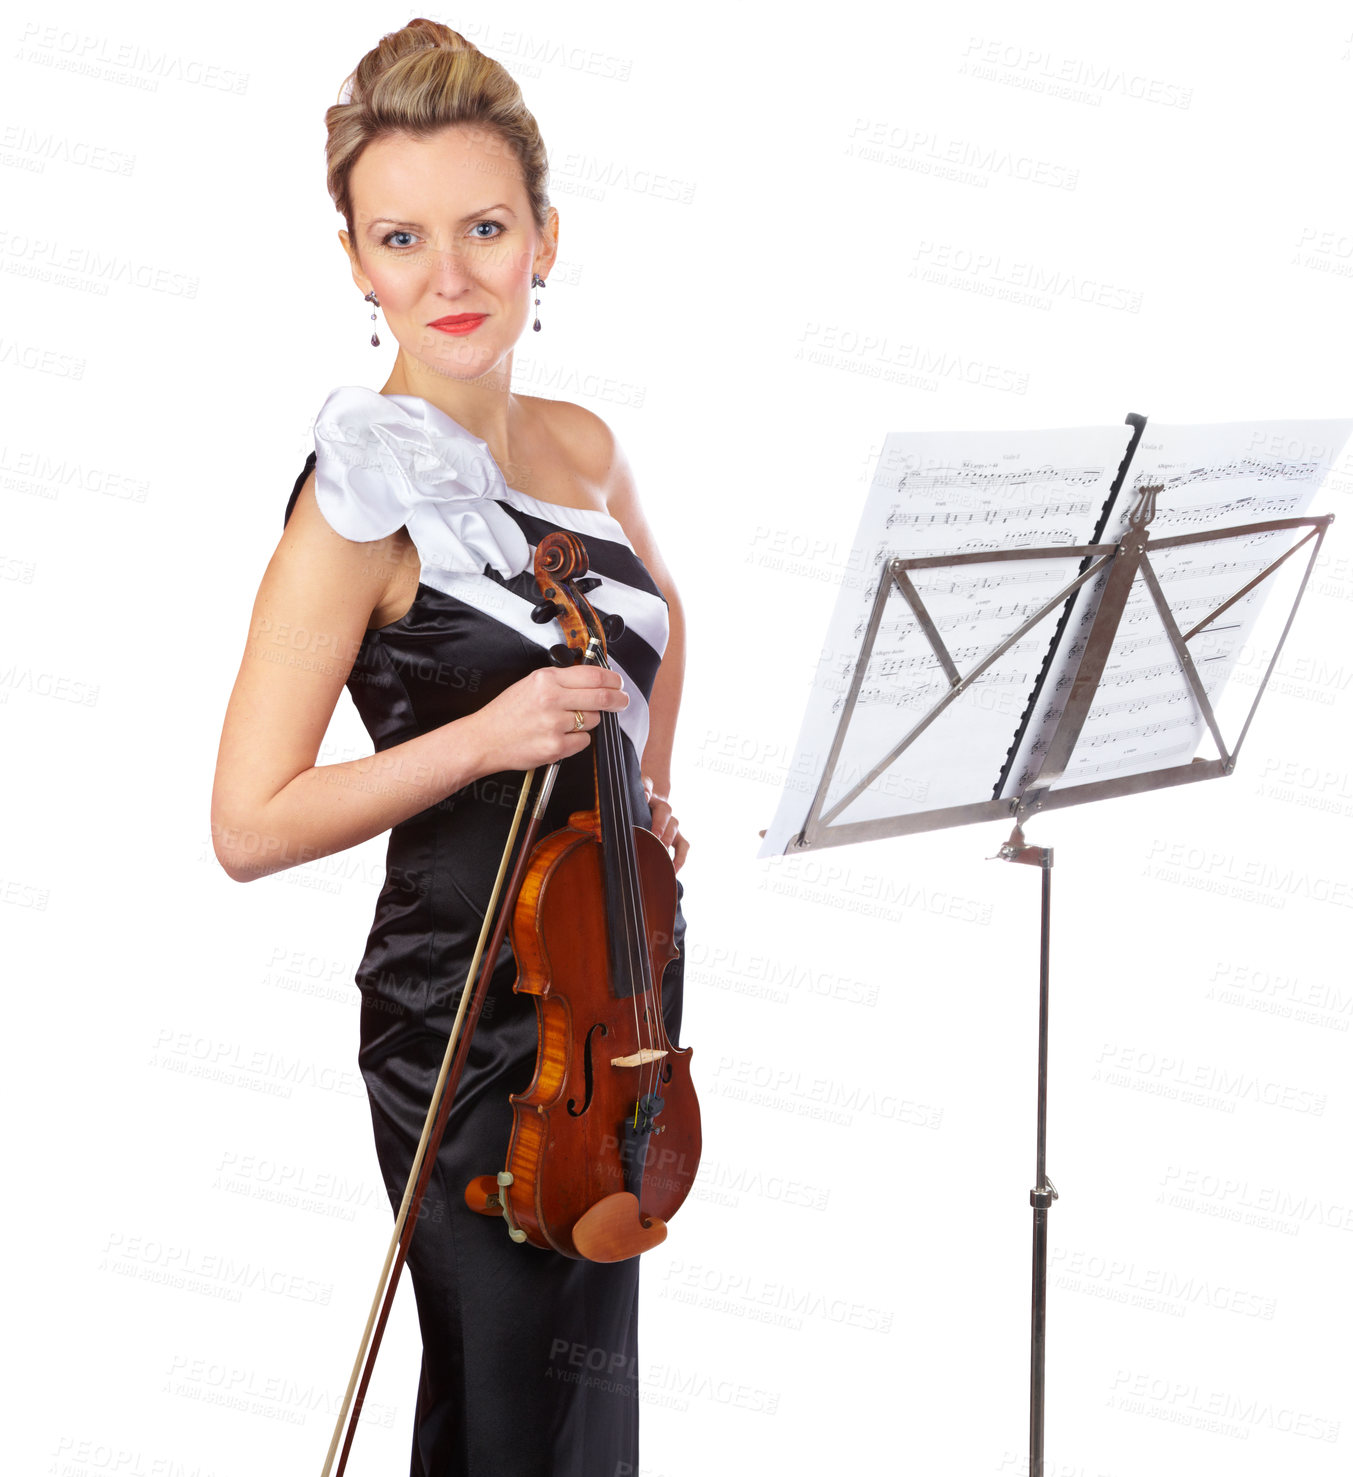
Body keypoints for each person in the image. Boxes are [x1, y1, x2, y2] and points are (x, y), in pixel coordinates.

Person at [209, 19, 689, 1476]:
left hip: (604, 980)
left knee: (577, 1409)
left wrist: (640, 799)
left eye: (484, 227)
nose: (449, 277)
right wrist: (485, 736)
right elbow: (248, 819)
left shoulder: (584, 445)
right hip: (465, 1017)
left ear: (546, 237)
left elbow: (663, 626)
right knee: (504, 1402)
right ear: (356, 262)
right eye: (401, 238)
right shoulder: (355, 506)